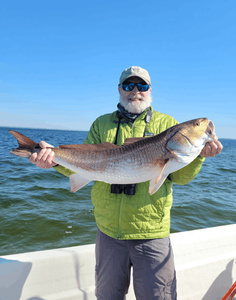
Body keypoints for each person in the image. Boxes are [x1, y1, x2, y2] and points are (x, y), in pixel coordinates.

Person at [30, 66, 223, 300]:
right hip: (108, 232)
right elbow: (83, 164)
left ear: (150, 90)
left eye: (142, 86)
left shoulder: (167, 123)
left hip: (151, 232)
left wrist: (199, 156)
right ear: (120, 89)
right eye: (129, 85)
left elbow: (180, 178)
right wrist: (52, 161)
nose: (135, 91)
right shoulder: (102, 123)